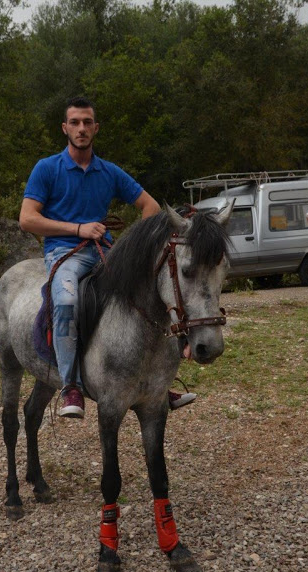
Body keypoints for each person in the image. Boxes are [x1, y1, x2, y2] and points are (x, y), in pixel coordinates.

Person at [20, 96, 196, 418]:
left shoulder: (109, 171)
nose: (81, 128)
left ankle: (155, 382)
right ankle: (71, 385)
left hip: (106, 253)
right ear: (65, 128)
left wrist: (135, 247)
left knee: (151, 295)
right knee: (66, 302)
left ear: (96, 128)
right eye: (75, 122)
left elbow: (151, 207)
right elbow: (27, 219)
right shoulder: (47, 169)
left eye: (87, 122)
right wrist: (78, 229)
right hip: (63, 253)